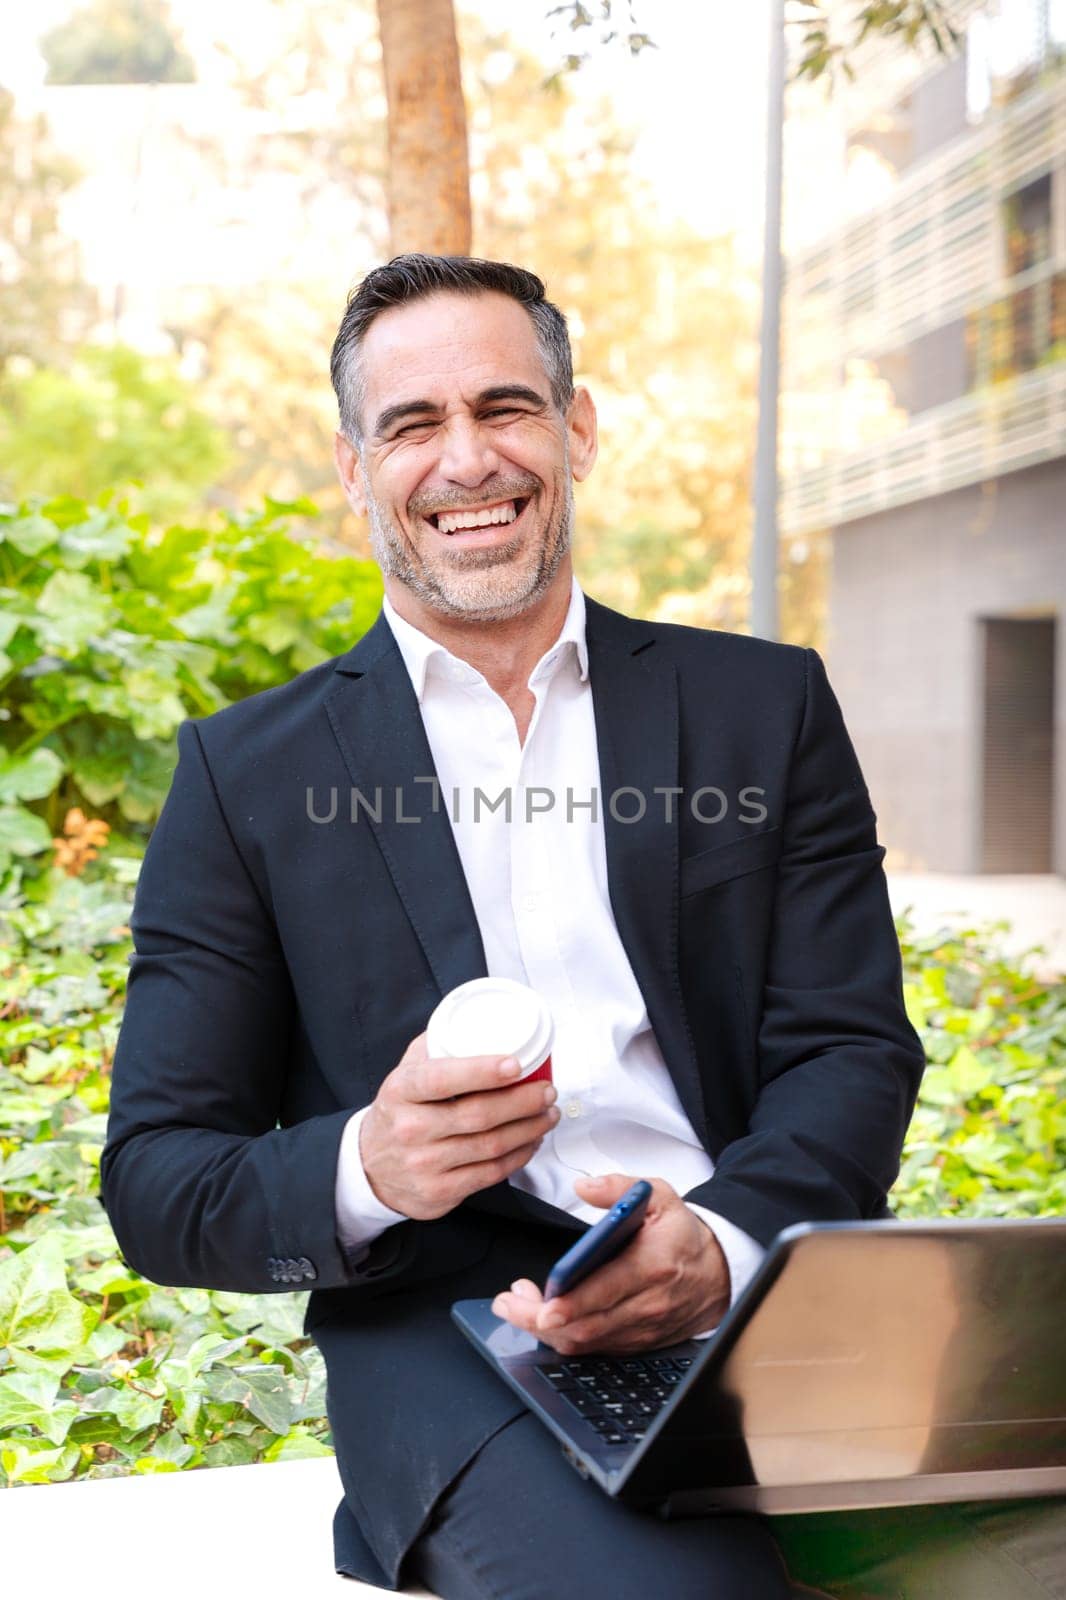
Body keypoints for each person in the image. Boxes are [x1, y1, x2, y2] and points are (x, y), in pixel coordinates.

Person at [101, 255, 1065, 1600]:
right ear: (353, 468)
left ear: (577, 429)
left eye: (504, 408)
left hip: (766, 1298)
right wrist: (372, 1163)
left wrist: (720, 1247)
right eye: (411, 425)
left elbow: (850, 1049)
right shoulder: (245, 777)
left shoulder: (762, 709)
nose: (465, 461)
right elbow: (156, 1180)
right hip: (455, 1338)